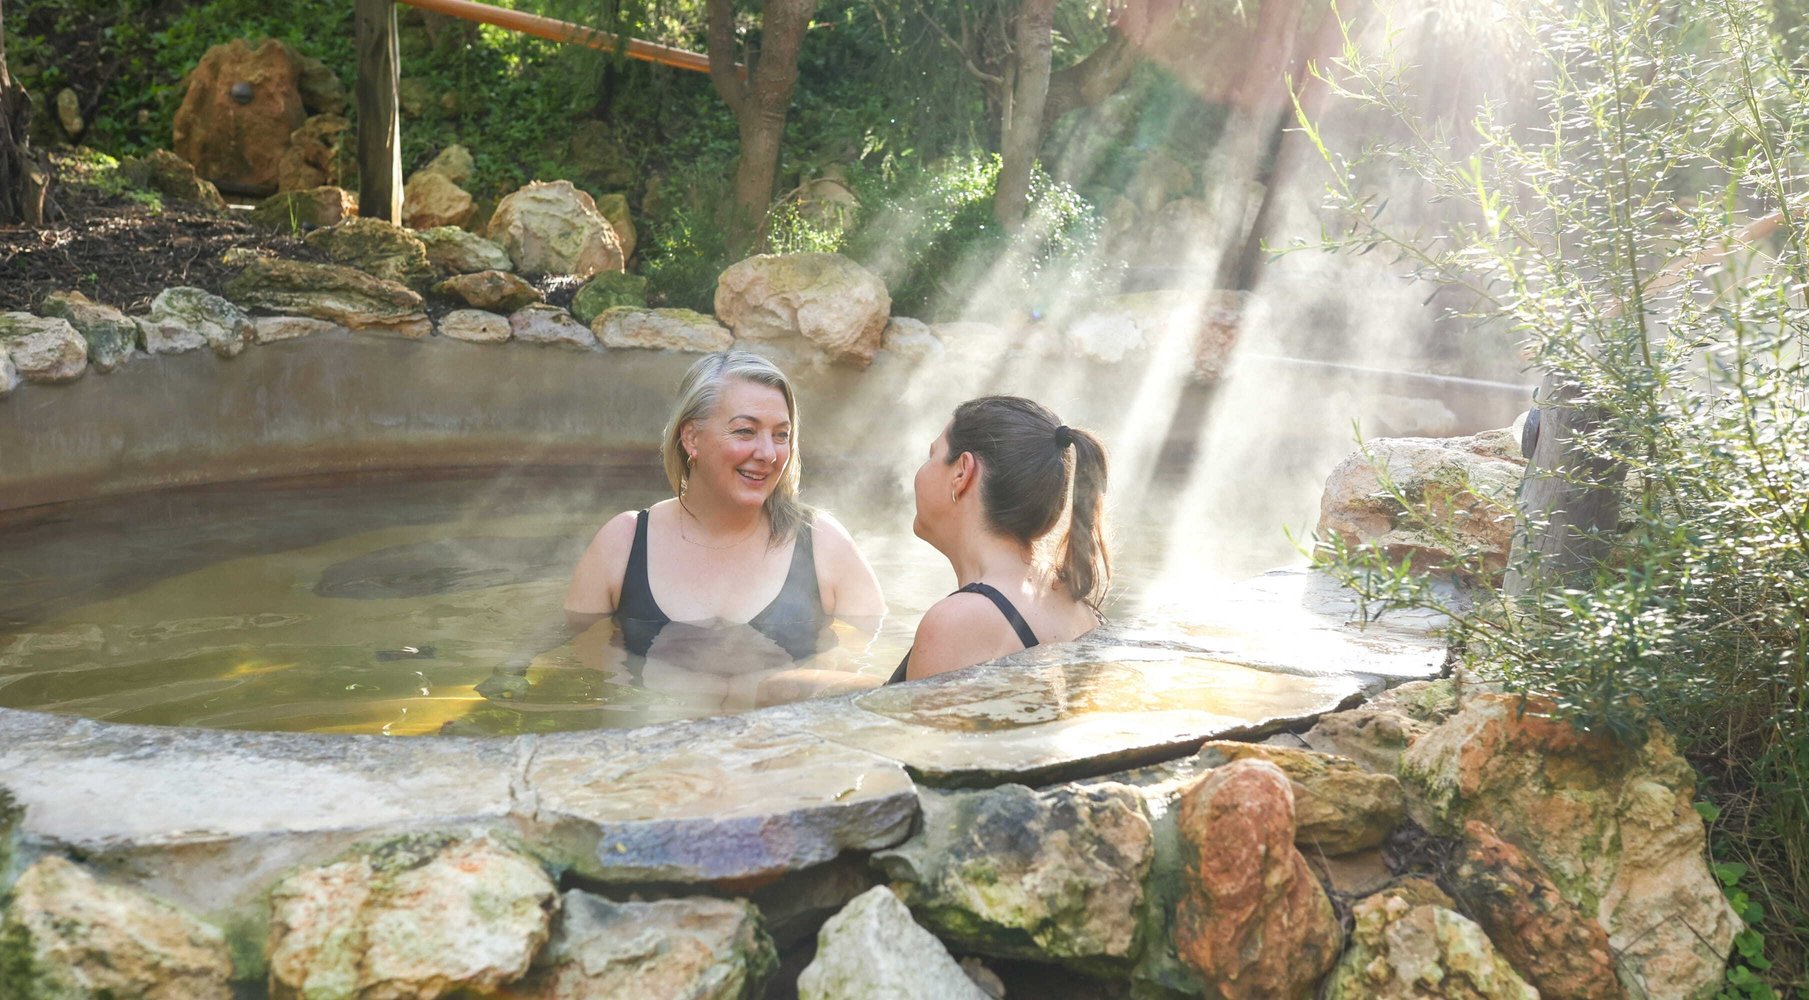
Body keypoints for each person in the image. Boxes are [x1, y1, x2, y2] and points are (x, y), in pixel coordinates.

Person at [563, 350, 886, 707]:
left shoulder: (823, 542)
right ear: (691, 438)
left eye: (781, 435)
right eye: (745, 431)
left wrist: (801, 679)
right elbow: (585, 676)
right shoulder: (621, 544)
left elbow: (876, 668)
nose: (768, 453)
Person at [889, 396, 1110, 683]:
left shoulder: (958, 622)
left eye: (932, 456)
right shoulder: (1079, 606)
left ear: (961, 472)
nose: (919, 473)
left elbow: (923, 730)